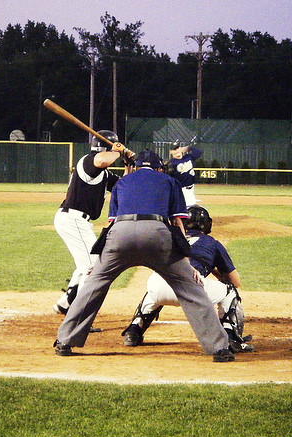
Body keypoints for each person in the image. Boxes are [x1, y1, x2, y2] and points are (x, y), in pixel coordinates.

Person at [54, 149, 236, 362]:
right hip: (157, 235)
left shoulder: (122, 183)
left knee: (94, 285)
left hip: (120, 235)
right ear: (159, 168)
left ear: (136, 167)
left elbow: (111, 224)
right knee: (191, 289)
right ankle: (220, 348)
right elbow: (177, 223)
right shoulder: (169, 181)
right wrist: (187, 261)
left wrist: (100, 263)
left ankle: (65, 341)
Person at [121, 204, 253, 353]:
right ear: (206, 224)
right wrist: (212, 267)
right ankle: (232, 338)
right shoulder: (212, 243)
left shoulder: (171, 237)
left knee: (159, 283)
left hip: (157, 286)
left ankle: (134, 331)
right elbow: (235, 281)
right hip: (190, 287)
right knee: (230, 291)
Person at [53, 130, 134, 317]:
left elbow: (124, 186)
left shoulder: (102, 173)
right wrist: (118, 151)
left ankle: (66, 304)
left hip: (78, 221)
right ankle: (78, 317)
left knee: (87, 265)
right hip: (73, 219)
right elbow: (102, 160)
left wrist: (128, 163)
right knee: (93, 267)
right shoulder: (89, 161)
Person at [167, 140, 202, 207]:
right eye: (174, 149)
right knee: (190, 207)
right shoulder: (171, 163)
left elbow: (198, 152)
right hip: (181, 190)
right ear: (170, 152)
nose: (177, 150)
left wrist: (188, 148)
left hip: (191, 188)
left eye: (178, 148)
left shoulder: (188, 157)